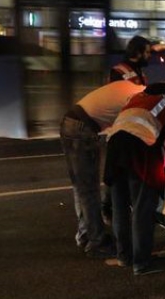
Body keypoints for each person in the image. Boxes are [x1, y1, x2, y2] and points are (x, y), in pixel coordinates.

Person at [103, 82, 165, 276]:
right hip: (139, 151)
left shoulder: (138, 98)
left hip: (114, 148)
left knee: (120, 207)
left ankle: (125, 257)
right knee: (142, 208)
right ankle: (143, 264)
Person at [60, 80, 147, 257]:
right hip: (81, 129)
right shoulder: (137, 98)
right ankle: (96, 242)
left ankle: (86, 234)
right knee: (89, 190)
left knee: (82, 188)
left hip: (73, 123)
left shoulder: (129, 87)